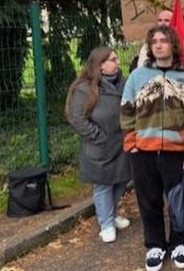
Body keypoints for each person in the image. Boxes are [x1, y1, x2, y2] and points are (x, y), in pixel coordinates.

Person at [121, 25, 184, 271]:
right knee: (149, 201)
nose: (158, 45)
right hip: (143, 151)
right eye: (154, 41)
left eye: (163, 41)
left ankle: (180, 242)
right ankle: (155, 245)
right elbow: (126, 109)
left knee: (179, 200)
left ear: (173, 45)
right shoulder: (137, 76)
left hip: (176, 152)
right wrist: (130, 142)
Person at [65, 47, 131, 243]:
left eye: (117, 59)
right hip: (100, 146)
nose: (118, 63)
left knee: (121, 180)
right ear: (100, 65)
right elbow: (76, 118)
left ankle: (110, 213)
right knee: (103, 184)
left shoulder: (123, 83)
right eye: (113, 59)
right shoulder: (84, 88)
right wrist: (98, 136)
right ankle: (106, 223)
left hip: (121, 143)